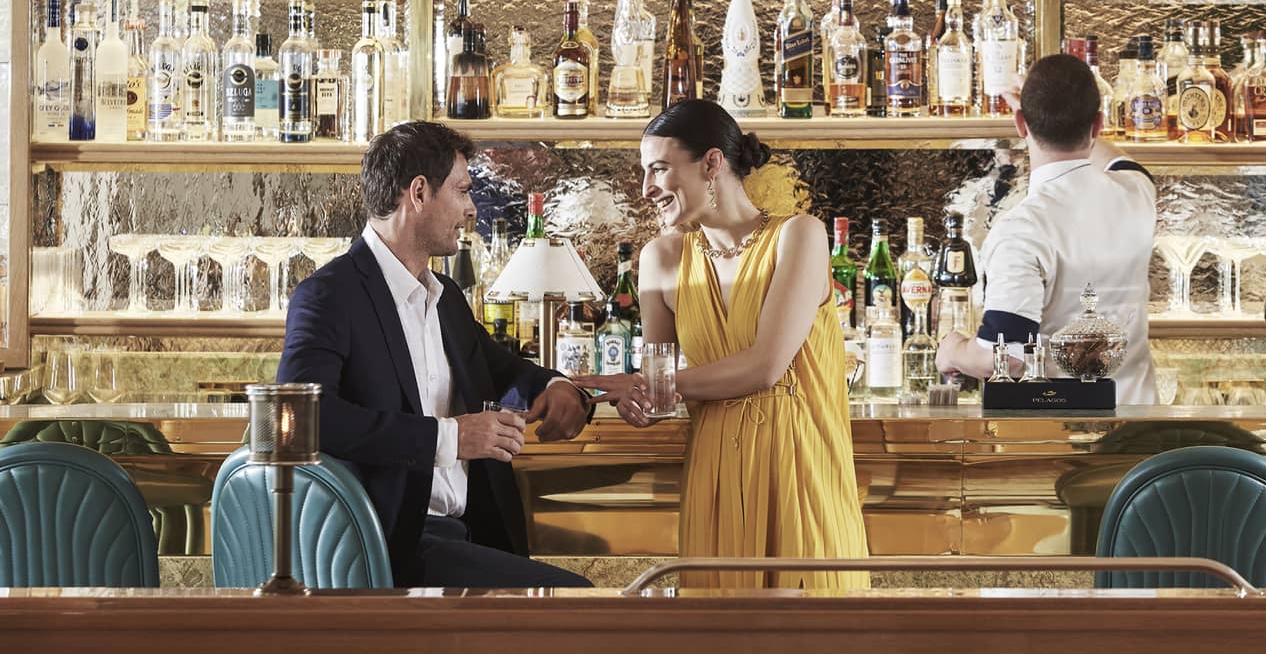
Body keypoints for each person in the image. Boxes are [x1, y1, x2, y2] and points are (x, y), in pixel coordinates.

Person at [277, 121, 593, 588]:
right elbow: (298, 418)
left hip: (465, 537)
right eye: (463, 191)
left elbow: (500, 368)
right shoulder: (329, 296)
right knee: (579, 603)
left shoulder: (445, 297)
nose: (471, 209)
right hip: (388, 548)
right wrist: (450, 438)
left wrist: (556, 385)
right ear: (419, 193)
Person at [571, 100, 870, 590]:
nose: (645, 188)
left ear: (712, 162)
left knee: (811, 628)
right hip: (715, 477)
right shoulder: (661, 258)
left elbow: (765, 366)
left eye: (658, 169)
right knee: (717, 629)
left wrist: (650, 383)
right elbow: (660, 387)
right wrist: (640, 399)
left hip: (800, 470)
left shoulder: (799, 236)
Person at [935, 54, 1158, 404]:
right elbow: (1118, 159)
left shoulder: (1021, 231)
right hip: (1141, 424)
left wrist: (953, 350)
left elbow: (1006, 358)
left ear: (1020, 124)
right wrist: (1063, 111)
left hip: (1061, 429)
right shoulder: (1138, 191)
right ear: (1098, 125)